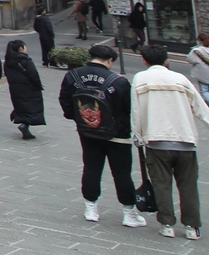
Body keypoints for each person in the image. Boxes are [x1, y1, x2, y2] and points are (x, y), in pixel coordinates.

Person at [131, 44, 209, 240]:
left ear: (144, 61)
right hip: (185, 141)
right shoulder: (181, 79)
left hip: (156, 141)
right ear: (167, 60)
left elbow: (136, 112)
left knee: (161, 185)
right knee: (188, 186)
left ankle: (167, 224)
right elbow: (202, 109)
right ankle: (192, 227)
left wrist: (137, 136)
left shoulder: (140, 79)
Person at [59, 44, 145, 228]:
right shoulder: (118, 81)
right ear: (110, 61)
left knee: (91, 168)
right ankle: (129, 213)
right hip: (117, 135)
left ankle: (91, 208)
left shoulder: (73, 76)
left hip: (88, 131)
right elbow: (129, 108)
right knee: (122, 173)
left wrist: (79, 119)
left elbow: (65, 102)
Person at [4, 39, 45, 140]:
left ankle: (23, 124)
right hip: (28, 88)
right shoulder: (25, 60)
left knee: (21, 106)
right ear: (21, 48)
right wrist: (39, 85)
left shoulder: (8, 61)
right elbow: (34, 75)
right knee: (31, 107)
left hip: (15, 88)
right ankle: (25, 125)